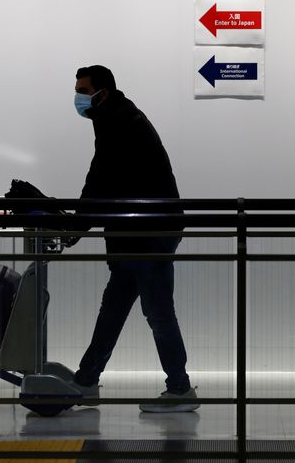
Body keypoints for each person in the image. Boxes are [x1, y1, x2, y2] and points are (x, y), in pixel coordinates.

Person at [69, 65, 199, 413]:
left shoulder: (119, 121)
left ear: (103, 91)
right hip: (137, 233)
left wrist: (76, 228)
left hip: (149, 233)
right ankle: (85, 380)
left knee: (157, 311)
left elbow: (101, 179)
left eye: (84, 90)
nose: (79, 98)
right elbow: (105, 181)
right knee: (113, 307)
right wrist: (79, 226)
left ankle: (180, 389)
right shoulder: (113, 116)